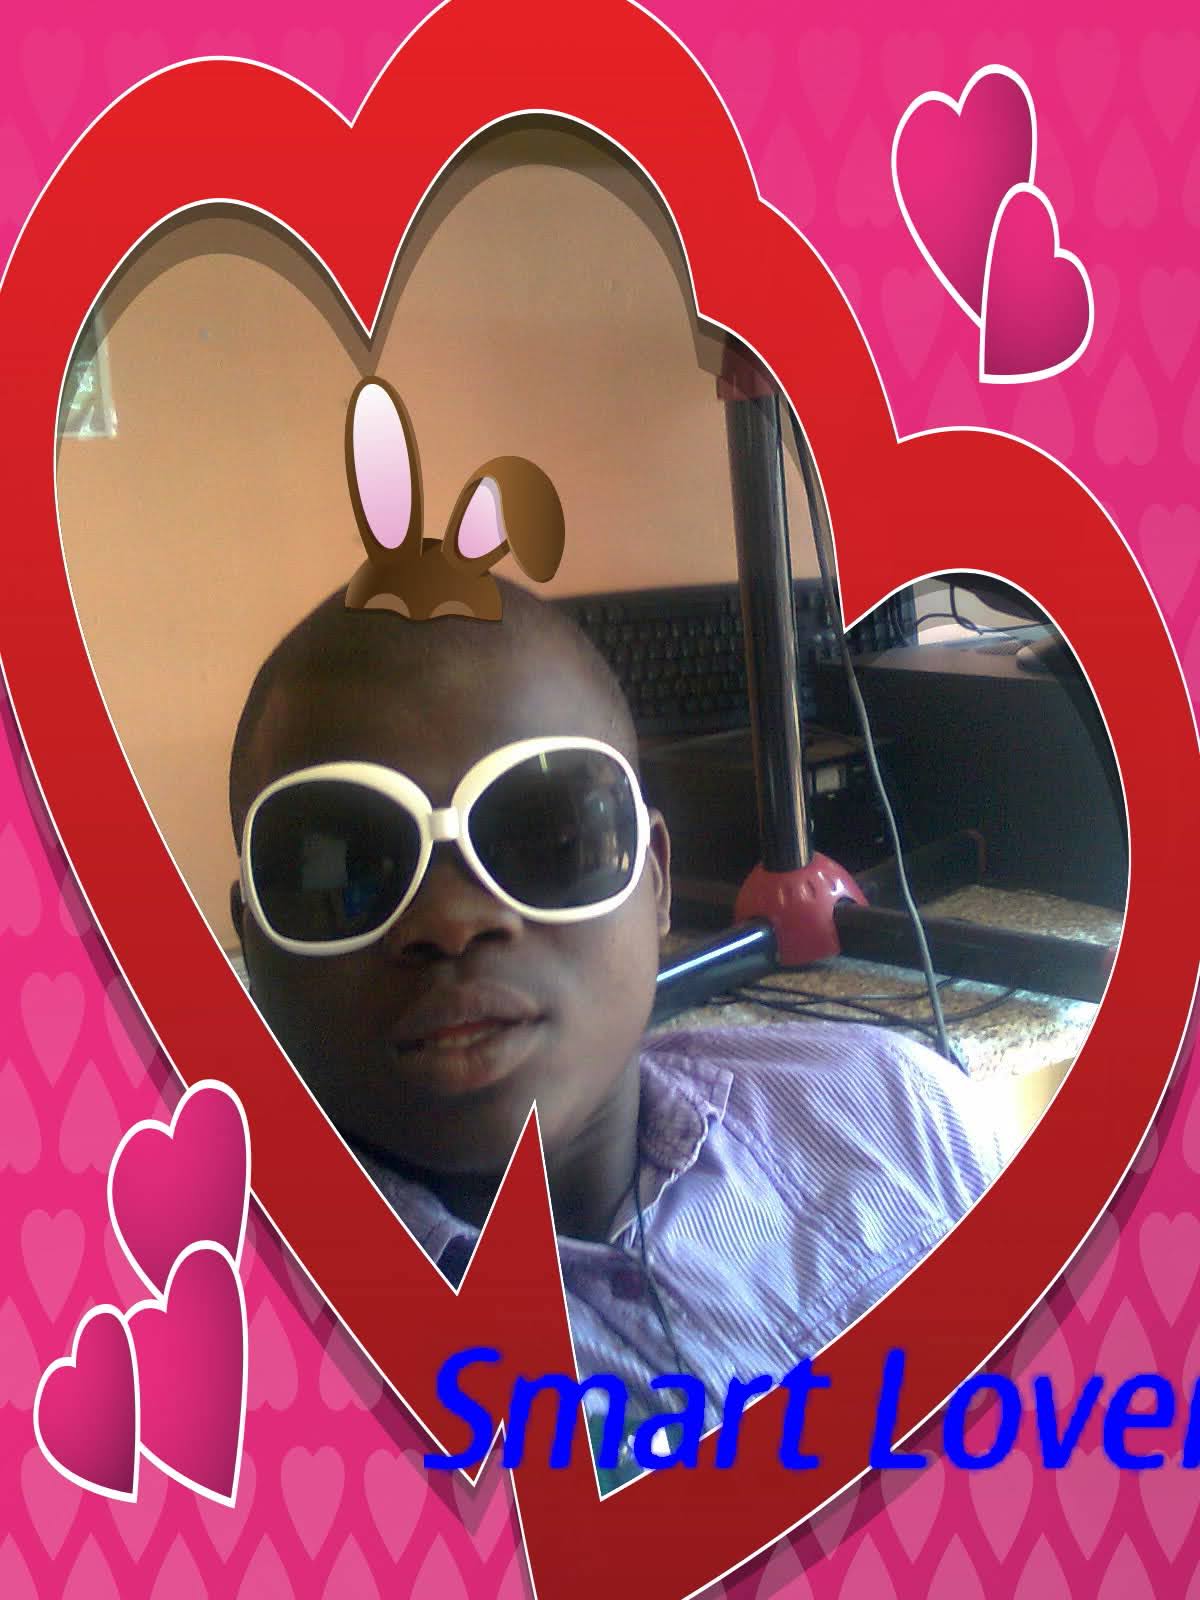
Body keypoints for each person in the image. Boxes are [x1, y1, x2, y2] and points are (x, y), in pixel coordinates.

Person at [228, 581, 1002, 1478]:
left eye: (546, 836)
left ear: (657, 883)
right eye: (343, 872)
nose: (450, 920)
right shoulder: (242, 1383)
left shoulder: (894, 1108)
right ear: (253, 949)